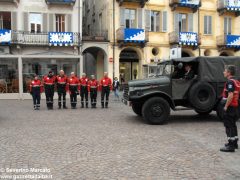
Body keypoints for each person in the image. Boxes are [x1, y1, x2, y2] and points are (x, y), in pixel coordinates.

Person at [220, 65, 239, 152]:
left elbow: (230, 95)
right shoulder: (236, 81)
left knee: (229, 126)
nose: (223, 72)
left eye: (225, 71)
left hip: (230, 107)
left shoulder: (230, 82)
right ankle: (234, 143)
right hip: (235, 106)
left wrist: (226, 106)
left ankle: (231, 146)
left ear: (229, 73)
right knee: (233, 125)